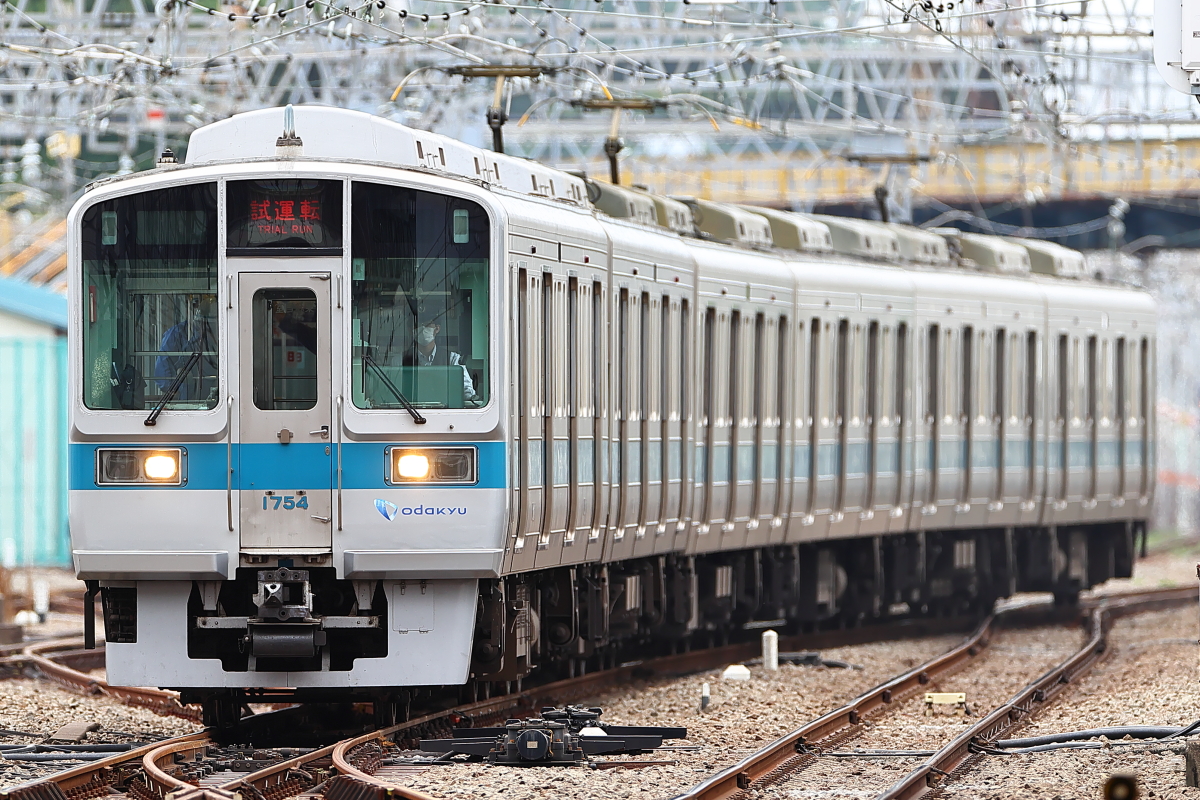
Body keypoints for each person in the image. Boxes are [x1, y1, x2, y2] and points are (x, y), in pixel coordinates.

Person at [155, 293, 217, 402]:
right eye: (198, 304)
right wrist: (179, 393)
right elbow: (163, 376)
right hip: (187, 405)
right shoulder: (177, 334)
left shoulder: (223, 334)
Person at [402, 316, 478, 403]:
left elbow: (467, 392)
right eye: (417, 325)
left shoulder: (453, 359)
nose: (422, 328)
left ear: (437, 328)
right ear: (410, 330)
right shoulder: (399, 360)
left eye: (427, 324)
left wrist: (471, 398)